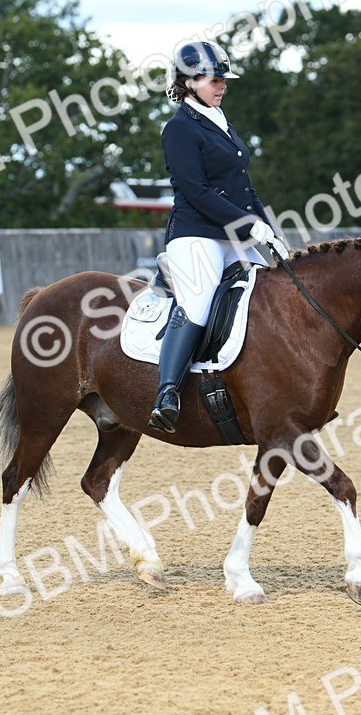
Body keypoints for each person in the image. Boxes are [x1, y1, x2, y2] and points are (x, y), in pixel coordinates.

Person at [148, 40, 288, 434]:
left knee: (273, 295)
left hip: (234, 235)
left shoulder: (220, 120)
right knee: (198, 298)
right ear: (188, 82)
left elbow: (246, 190)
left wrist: (269, 231)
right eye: (213, 79)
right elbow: (196, 192)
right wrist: (248, 226)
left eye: (223, 78)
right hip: (196, 235)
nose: (221, 84)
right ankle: (167, 393)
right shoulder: (178, 128)